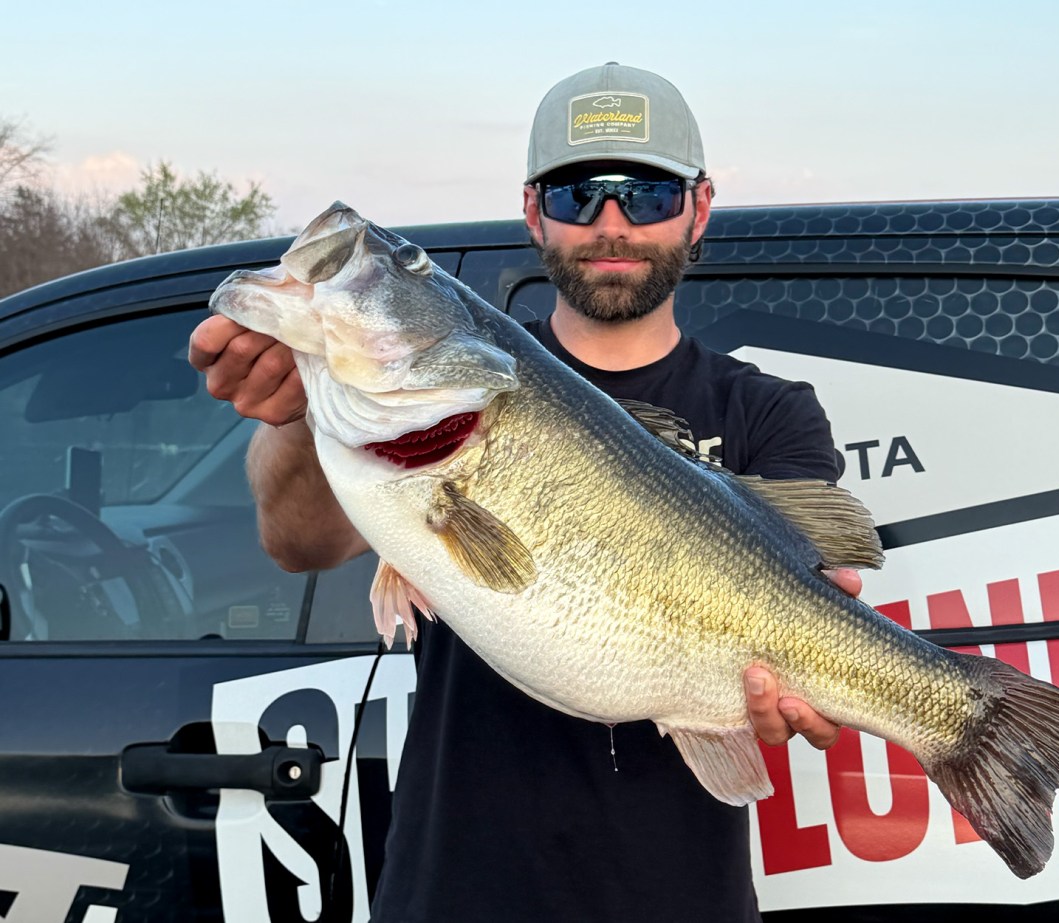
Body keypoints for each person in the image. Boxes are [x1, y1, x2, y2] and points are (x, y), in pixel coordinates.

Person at [190, 62, 859, 922]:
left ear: (698, 210)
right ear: (535, 211)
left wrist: (809, 675)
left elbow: (817, 597)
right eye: (581, 196)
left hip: (681, 897)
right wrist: (295, 414)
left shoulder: (769, 410)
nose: (612, 225)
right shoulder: (432, 404)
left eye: (647, 196)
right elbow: (299, 544)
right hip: (453, 891)